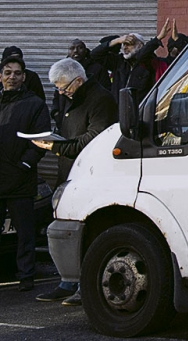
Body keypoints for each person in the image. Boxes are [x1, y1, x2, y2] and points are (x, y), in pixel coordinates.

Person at [33, 58, 118, 306]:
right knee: (65, 229)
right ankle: (67, 281)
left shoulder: (100, 99)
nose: (60, 92)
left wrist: (56, 147)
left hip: (90, 175)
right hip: (69, 173)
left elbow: (93, 139)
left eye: (63, 87)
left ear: (78, 80)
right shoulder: (72, 98)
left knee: (85, 231)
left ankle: (85, 284)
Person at [0, 53, 51, 292]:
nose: (12, 77)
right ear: (0, 77)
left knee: (25, 233)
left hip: (21, 179)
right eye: (8, 73)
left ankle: (26, 276)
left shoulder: (35, 104)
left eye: (17, 73)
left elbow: (42, 139)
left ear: (24, 77)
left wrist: (26, 165)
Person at [95, 32, 158, 107]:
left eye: (129, 44)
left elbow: (142, 56)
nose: (125, 48)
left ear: (140, 46)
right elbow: (95, 55)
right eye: (123, 44)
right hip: (118, 111)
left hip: (140, 111)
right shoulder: (118, 62)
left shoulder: (149, 63)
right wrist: (117, 40)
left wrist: (157, 39)